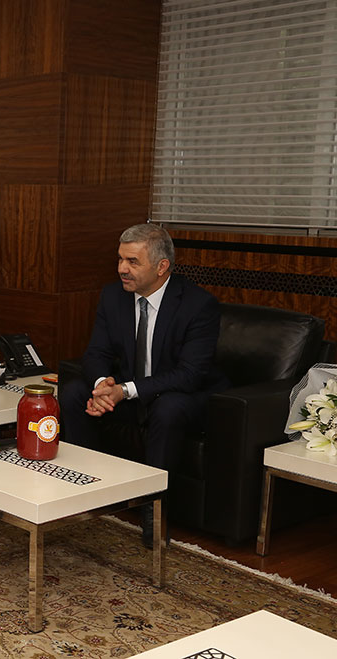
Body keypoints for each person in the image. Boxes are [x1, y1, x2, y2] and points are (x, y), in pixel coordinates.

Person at [60, 223, 225, 547]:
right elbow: (96, 353)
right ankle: (86, 493)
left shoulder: (198, 305)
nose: (122, 268)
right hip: (133, 394)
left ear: (162, 267)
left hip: (183, 396)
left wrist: (124, 391)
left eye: (132, 261)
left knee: (168, 407)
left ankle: (154, 513)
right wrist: (102, 386)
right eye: (120, 259)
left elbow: (189, 374)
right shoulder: (113, 297)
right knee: (75, 392)